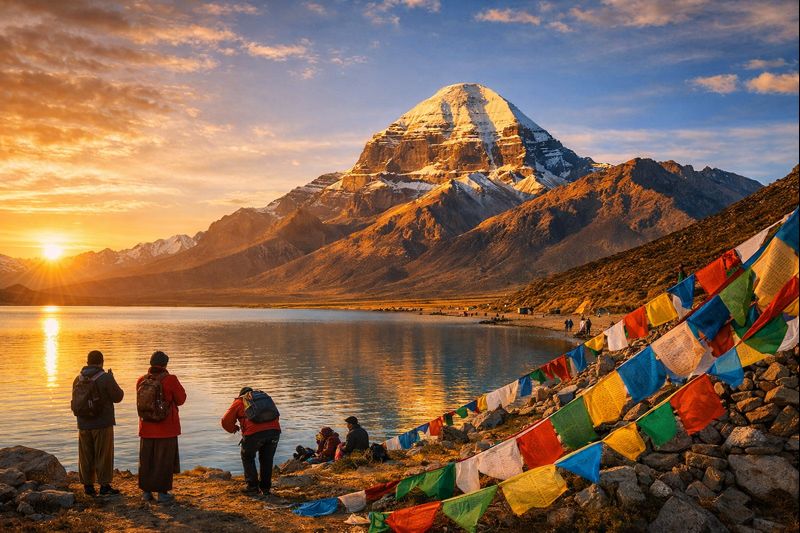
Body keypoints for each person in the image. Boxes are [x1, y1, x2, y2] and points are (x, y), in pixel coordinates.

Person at [71, 350, 124, 496]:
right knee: (103, 455)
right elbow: (118, 397)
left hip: (83, 424)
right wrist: (112, 378)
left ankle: (88, 487)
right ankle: (104, 486)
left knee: (86, 456)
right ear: (102, 362)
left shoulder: (78, 379)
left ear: (87, 362)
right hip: (102, 424)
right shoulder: (105, 378)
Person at [136, 350, 186, 504]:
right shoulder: (170, 379)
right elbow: (181, 399)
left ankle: (146, 493)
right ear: (165, 364)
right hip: (166, 429)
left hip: (146, 428)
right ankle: (163, 494)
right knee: (164, 462)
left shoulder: (141, 380)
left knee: (147, 461)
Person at [221, 387, 281, 496]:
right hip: (274, 431)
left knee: (247, 456)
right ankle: (266, 489)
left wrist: (233, 428)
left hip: (254, 434)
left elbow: (225, 421)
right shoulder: (264, 398)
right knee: (267, 459)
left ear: (241, 395)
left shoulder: (239, 401)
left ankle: (252, 487)